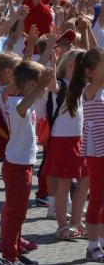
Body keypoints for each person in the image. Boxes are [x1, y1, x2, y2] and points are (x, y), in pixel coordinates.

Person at [0, 59, 54, 265]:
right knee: (16, 214)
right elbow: (22, 106)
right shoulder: (15, 104)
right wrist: (41, 86)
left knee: (19, 213)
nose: (43, 91)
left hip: (24, 164)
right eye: (40, 86)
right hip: (17, 167)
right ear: (32, 85)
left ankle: (15, 252)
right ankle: (9, 258)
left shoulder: (22, 103)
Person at [43, 48, 88, 240]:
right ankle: (62, 227)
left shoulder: (83, 87)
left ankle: (76, 221)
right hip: (62, 141)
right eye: (83, 65)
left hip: (79, 139)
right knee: (64, 185)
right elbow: (52, 85)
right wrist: (52, 61)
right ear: (71, 65)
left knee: (86, 181)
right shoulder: (61, 84)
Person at [72, 48, 104, 261]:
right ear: (91, 72)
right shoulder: (90, 90)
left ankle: (100, 240)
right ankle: (92, 246)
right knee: (97, 197)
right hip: (96, 148)